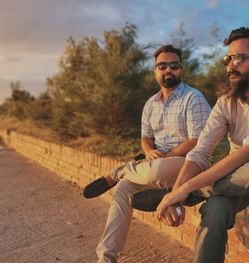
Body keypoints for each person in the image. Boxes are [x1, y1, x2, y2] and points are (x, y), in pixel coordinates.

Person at [156, 27, 249, 263]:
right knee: (214, 209)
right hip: (236, 185)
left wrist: (184, 189)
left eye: (240, 58)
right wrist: (177, 194)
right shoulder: (225, 102)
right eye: (229, 58)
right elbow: (200, 152)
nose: (230, 65)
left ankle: (194, 194)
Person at [86, 44, 211, 262]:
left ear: (181, 69)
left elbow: (198, 139)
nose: (168, 70)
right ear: (155, 71)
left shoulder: (193, 98)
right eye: (162, 66)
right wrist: (150, 150)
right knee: (124, 190)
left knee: (155, 170)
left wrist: (168, 153)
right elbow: (145, 137)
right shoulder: (150, 104)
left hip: (187, 163)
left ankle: (120, 171)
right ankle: (106, 258)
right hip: (155, 165)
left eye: (174, 65)